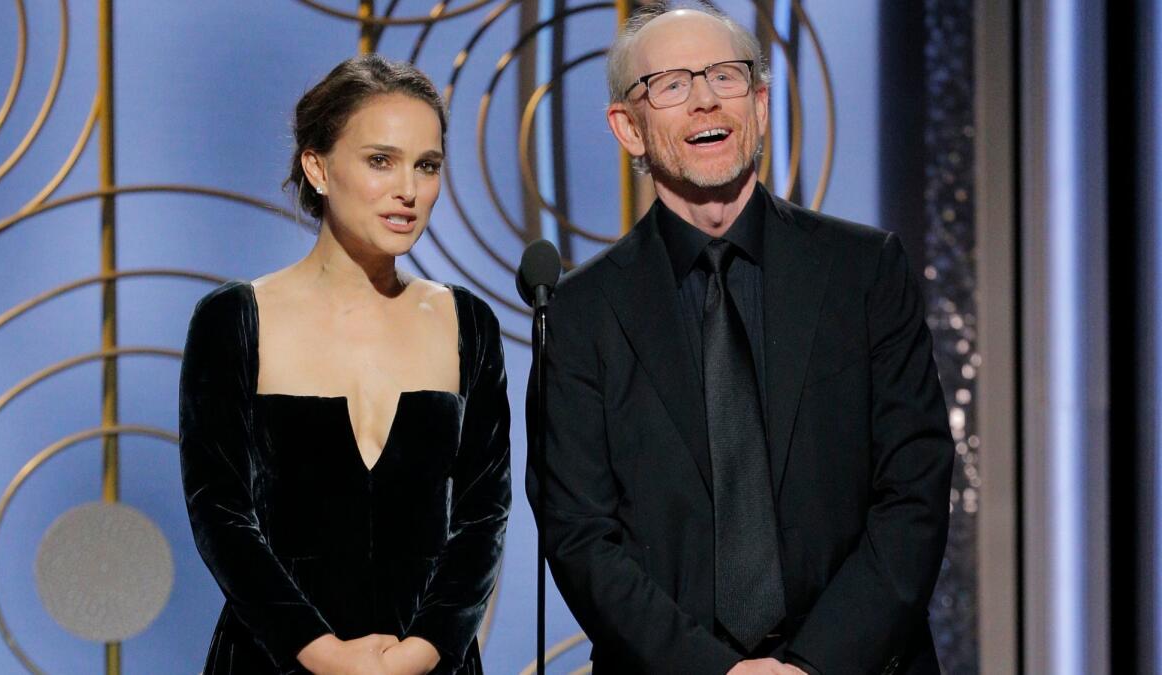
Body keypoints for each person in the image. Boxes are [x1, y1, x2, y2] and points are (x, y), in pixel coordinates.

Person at [525, 5, 953, 674]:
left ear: (758, 103)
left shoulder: (865, 272)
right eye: (669, 84)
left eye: (725, 76)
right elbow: (580, 534)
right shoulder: (580, 315)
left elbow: (914, 492)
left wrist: (812, 663)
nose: (704, 99)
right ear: (627, 128)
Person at [179, 55, 511, 675]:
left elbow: (482, 514)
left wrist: (424, 649)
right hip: (275, 661)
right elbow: (219, 513)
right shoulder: (234, 319)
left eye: (427, 166)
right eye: (380, 161)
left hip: (429, 664)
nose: (408, 190)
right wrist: (323, 653)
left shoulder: (466, 323)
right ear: (318, 167)